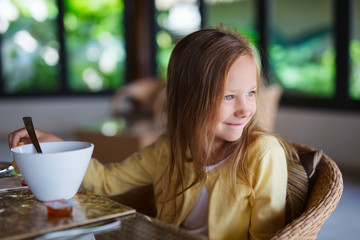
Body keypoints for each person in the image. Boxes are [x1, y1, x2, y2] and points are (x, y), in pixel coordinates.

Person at [9, 27, 298, 240]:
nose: (246, 109)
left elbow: (268, 235)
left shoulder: (262, 154)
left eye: (251, 93)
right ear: (189, 99)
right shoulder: (168, 149)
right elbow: (108, 181)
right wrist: (60, 148)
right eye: (228, 97)